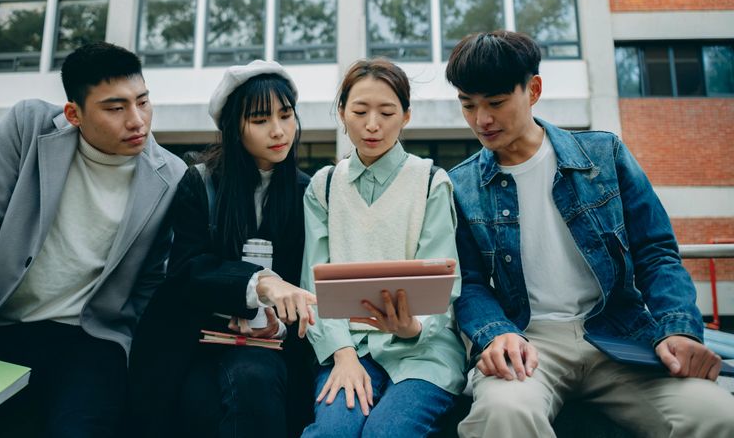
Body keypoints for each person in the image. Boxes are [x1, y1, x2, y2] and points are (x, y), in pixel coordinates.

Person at [446, 30, 734, 437]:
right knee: (504, 414)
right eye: (468, 105)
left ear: (534, 89)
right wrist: (496, 334)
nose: (482, 120)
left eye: (495, 103)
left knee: (718, 415)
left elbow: (656, 252)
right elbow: (470, 283)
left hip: (618, 333)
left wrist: (678, 328)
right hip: (527, 340)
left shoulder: (604, 155)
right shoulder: (460, 187)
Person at [0, 42, 186, 437]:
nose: (137, 120)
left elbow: (152, 276)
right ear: (74, 114)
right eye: (115, 108)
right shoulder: (28, 127)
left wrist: (127, 341)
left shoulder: (170, 175)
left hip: (91, 337)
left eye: (143, 101)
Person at [127, 60, 317, 438]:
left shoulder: (305, 190)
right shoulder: (200, 182)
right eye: (261, 119)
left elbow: (307, 275)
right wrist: (257, 286)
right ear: (234, 127)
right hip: (198, 343)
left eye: (286, 115)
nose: (278, 131)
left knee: (254, 381)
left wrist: (280, 323)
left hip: (272, 350)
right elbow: (187, 268)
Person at [300, 59, 467, 438]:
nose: (372, 124)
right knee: (332, 434)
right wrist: (341, 354)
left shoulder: (431, 183)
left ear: (406, 116)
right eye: (359, 111)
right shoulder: (323, 187)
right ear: (342, 112)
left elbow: (444, 283)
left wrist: (412, 327)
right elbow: (312, 285)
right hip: (351, 350)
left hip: (425, 354)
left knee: (387, 433)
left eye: (387, 112)